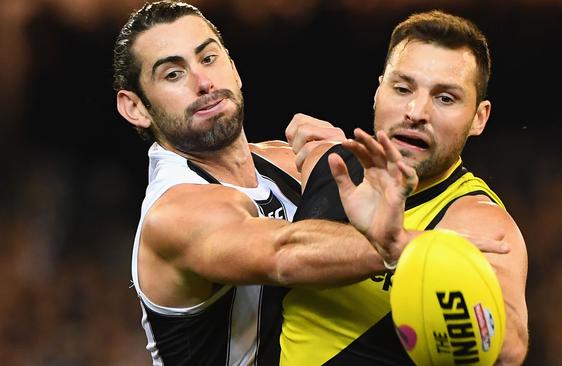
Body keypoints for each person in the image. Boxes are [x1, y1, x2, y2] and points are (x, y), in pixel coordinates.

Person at [112, 2, 510, 365]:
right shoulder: (174, 211)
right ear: (135, 107)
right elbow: (284, 253)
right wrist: (411, 248)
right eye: (173, 73)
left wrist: (338, 155)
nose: (202, 81)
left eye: (209, 57)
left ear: (233, 66)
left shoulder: (287, 159)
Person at [281, 10, 529, 365]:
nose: (416, 111)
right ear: (377, 91)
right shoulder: (328, 163)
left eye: (445, 98)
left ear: (479, 118)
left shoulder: (476, 221)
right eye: (402, 88)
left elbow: (509, 349)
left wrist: (402, 248)